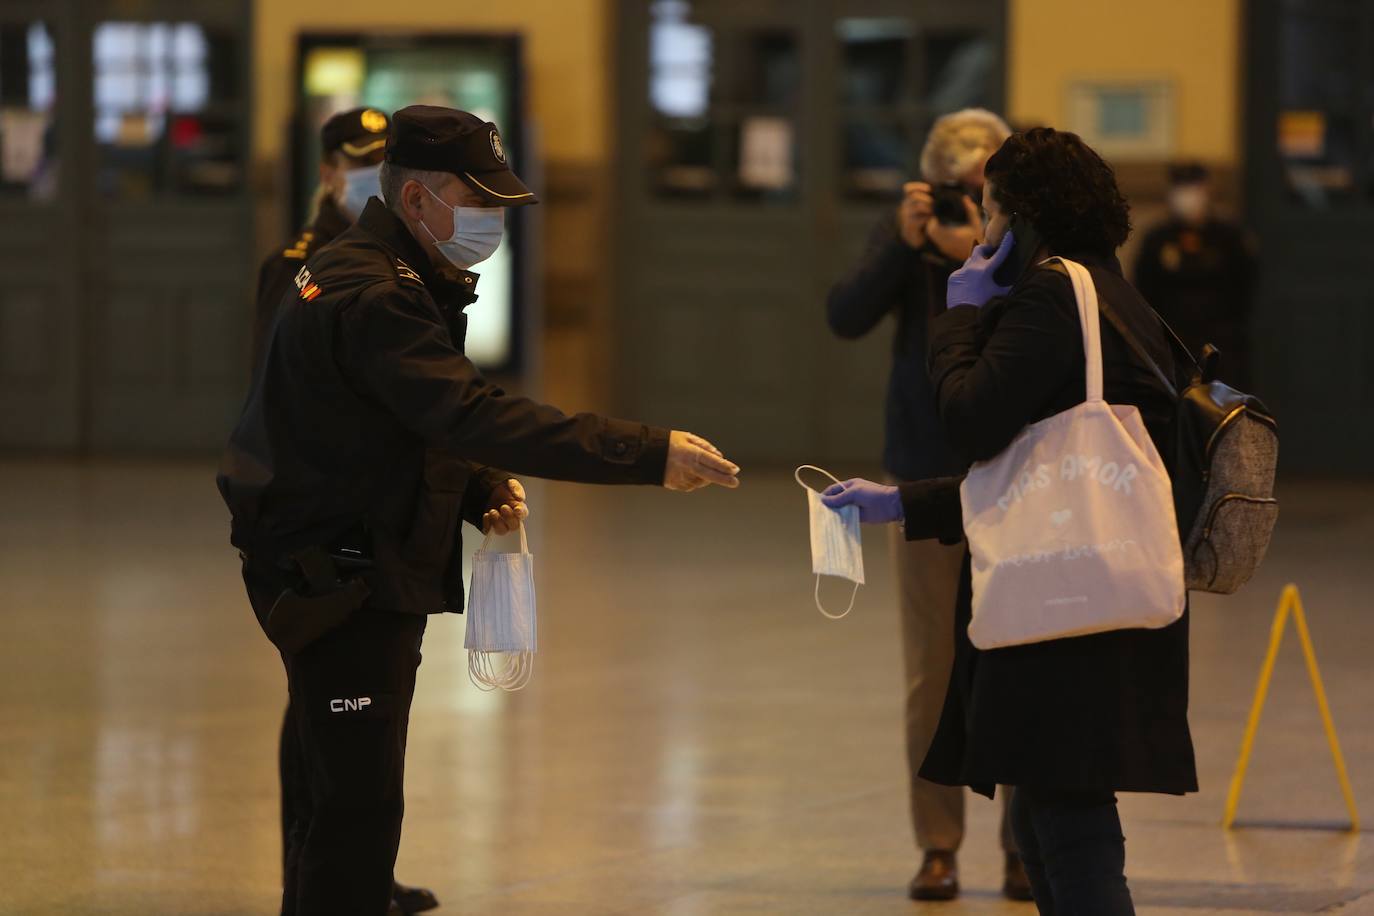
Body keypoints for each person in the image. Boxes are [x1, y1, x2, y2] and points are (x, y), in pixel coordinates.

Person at [217, 105, 741, 916]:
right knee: (355, 820)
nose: (494, 219)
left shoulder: (375, 269)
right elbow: (470, 412)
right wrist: (647, 452)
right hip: (340, 580)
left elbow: (389, 420)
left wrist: (473, 488)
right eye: (480, 199)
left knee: (345, 804)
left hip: (350, 563)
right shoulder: (375, 294)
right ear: (421, 200)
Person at [822, 127, 1196, 915]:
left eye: (992, 213)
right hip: (1099, 589)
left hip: (1067, 606)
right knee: (1045, 808)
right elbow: (1036, 471)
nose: (983, 233)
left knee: (1066, 812)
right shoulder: (1108, 290)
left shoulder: (1054, 293)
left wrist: (958, 316)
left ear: (1020, 215)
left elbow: (970, 420)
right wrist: (901, 503)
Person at [825, 108, 1028, 902]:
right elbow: (844, 315)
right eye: (955, 188)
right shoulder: (907, 232)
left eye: (982, 188)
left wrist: (977, 257)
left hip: (1012, 475)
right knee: (933, 675)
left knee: (1017, 662)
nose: (967, 202)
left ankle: (1023, 843)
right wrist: (912, 248)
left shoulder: (1022, 239)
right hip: (920, 473)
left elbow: (1033, 331)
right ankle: (938, 844)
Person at [249, 105, 439, 916]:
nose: (365, 173)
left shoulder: (394, 255)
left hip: (378, 515)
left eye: (378, 160)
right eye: (356, 161)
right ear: (329, 171)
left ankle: (360, 877)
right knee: (319, 708)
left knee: (350, 730)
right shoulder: (299, 262)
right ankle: (310, 874)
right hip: (320, 517)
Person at [252, 107, 392, 364]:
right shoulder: (295, 264)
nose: (379, 172)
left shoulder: (403, 253)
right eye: (365, 162)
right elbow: (276, 373)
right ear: (328, 174)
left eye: (386, 160)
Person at [1133, 162, 1256, 387]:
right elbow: (1144, 290)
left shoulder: (1228, 238)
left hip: (1222, 346)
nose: (1188, 197)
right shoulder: (1157, 239)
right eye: (1181, 188)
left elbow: (1245, 285)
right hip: (1173, 346)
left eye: (1193, 188)